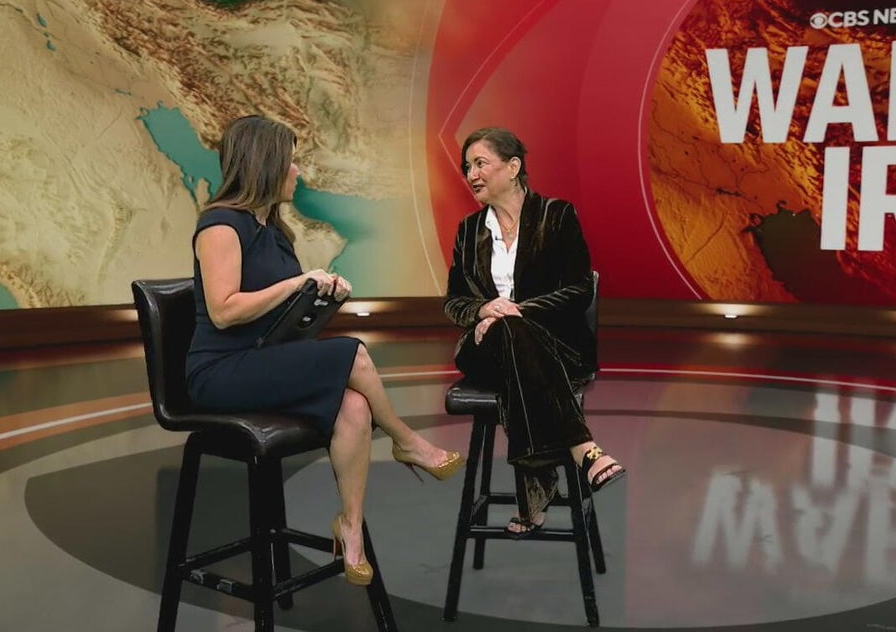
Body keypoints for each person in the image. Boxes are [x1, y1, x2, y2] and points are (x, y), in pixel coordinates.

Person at [186, 115, 464, 585]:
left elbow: (278, 319)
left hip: (260, 359)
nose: (298, 172)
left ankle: (350, 528)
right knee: (353, 353)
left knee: (354, 406)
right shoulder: (220, 226)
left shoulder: (276, 233)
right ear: (266, 165)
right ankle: (406, 441)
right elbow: (224, 311)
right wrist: (296, 283)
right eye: (291, 163)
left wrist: (317, 299)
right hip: (219, 372)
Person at [444, 127, 626, 539]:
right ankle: (584, 449)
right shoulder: (468, 231)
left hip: (553, 347)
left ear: (513, 167)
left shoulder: (557, 216)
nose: (471, 174)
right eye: (467, 167)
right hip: (484, 349)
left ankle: (536, 487)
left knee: (515, 335)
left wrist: (515, 313)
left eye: (480, 163)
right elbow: (454, 302)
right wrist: (484, 310)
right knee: (509, 334)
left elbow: (579, 289)